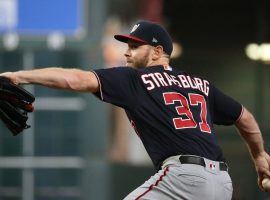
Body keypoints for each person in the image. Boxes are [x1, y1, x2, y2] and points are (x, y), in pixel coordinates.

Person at [1, 20, 270, 199]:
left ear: (157, 51)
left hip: (183, 178)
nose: (127, 53)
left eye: (134, 46)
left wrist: (20, 76)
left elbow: (75, 79)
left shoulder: (135, 79)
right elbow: (244, 117)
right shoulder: (201, 84)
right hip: (222, 184)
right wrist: (259, 156)